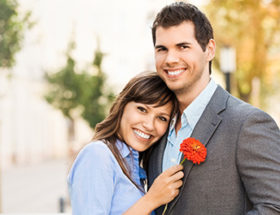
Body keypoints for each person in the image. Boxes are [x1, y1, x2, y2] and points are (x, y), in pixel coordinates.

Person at [147, 2, 280, 215]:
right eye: (162, 49)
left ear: (209, 50)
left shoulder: (248, 124)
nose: (170, 59)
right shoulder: (156, 130)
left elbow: (274, 207)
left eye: (183, 47)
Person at [68, 72, 184, 215]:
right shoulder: (98, 155)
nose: (149, 125)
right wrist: (151, 200)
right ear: (122, 106)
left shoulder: (134, 166)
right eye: (142, 109)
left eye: (162, 118)